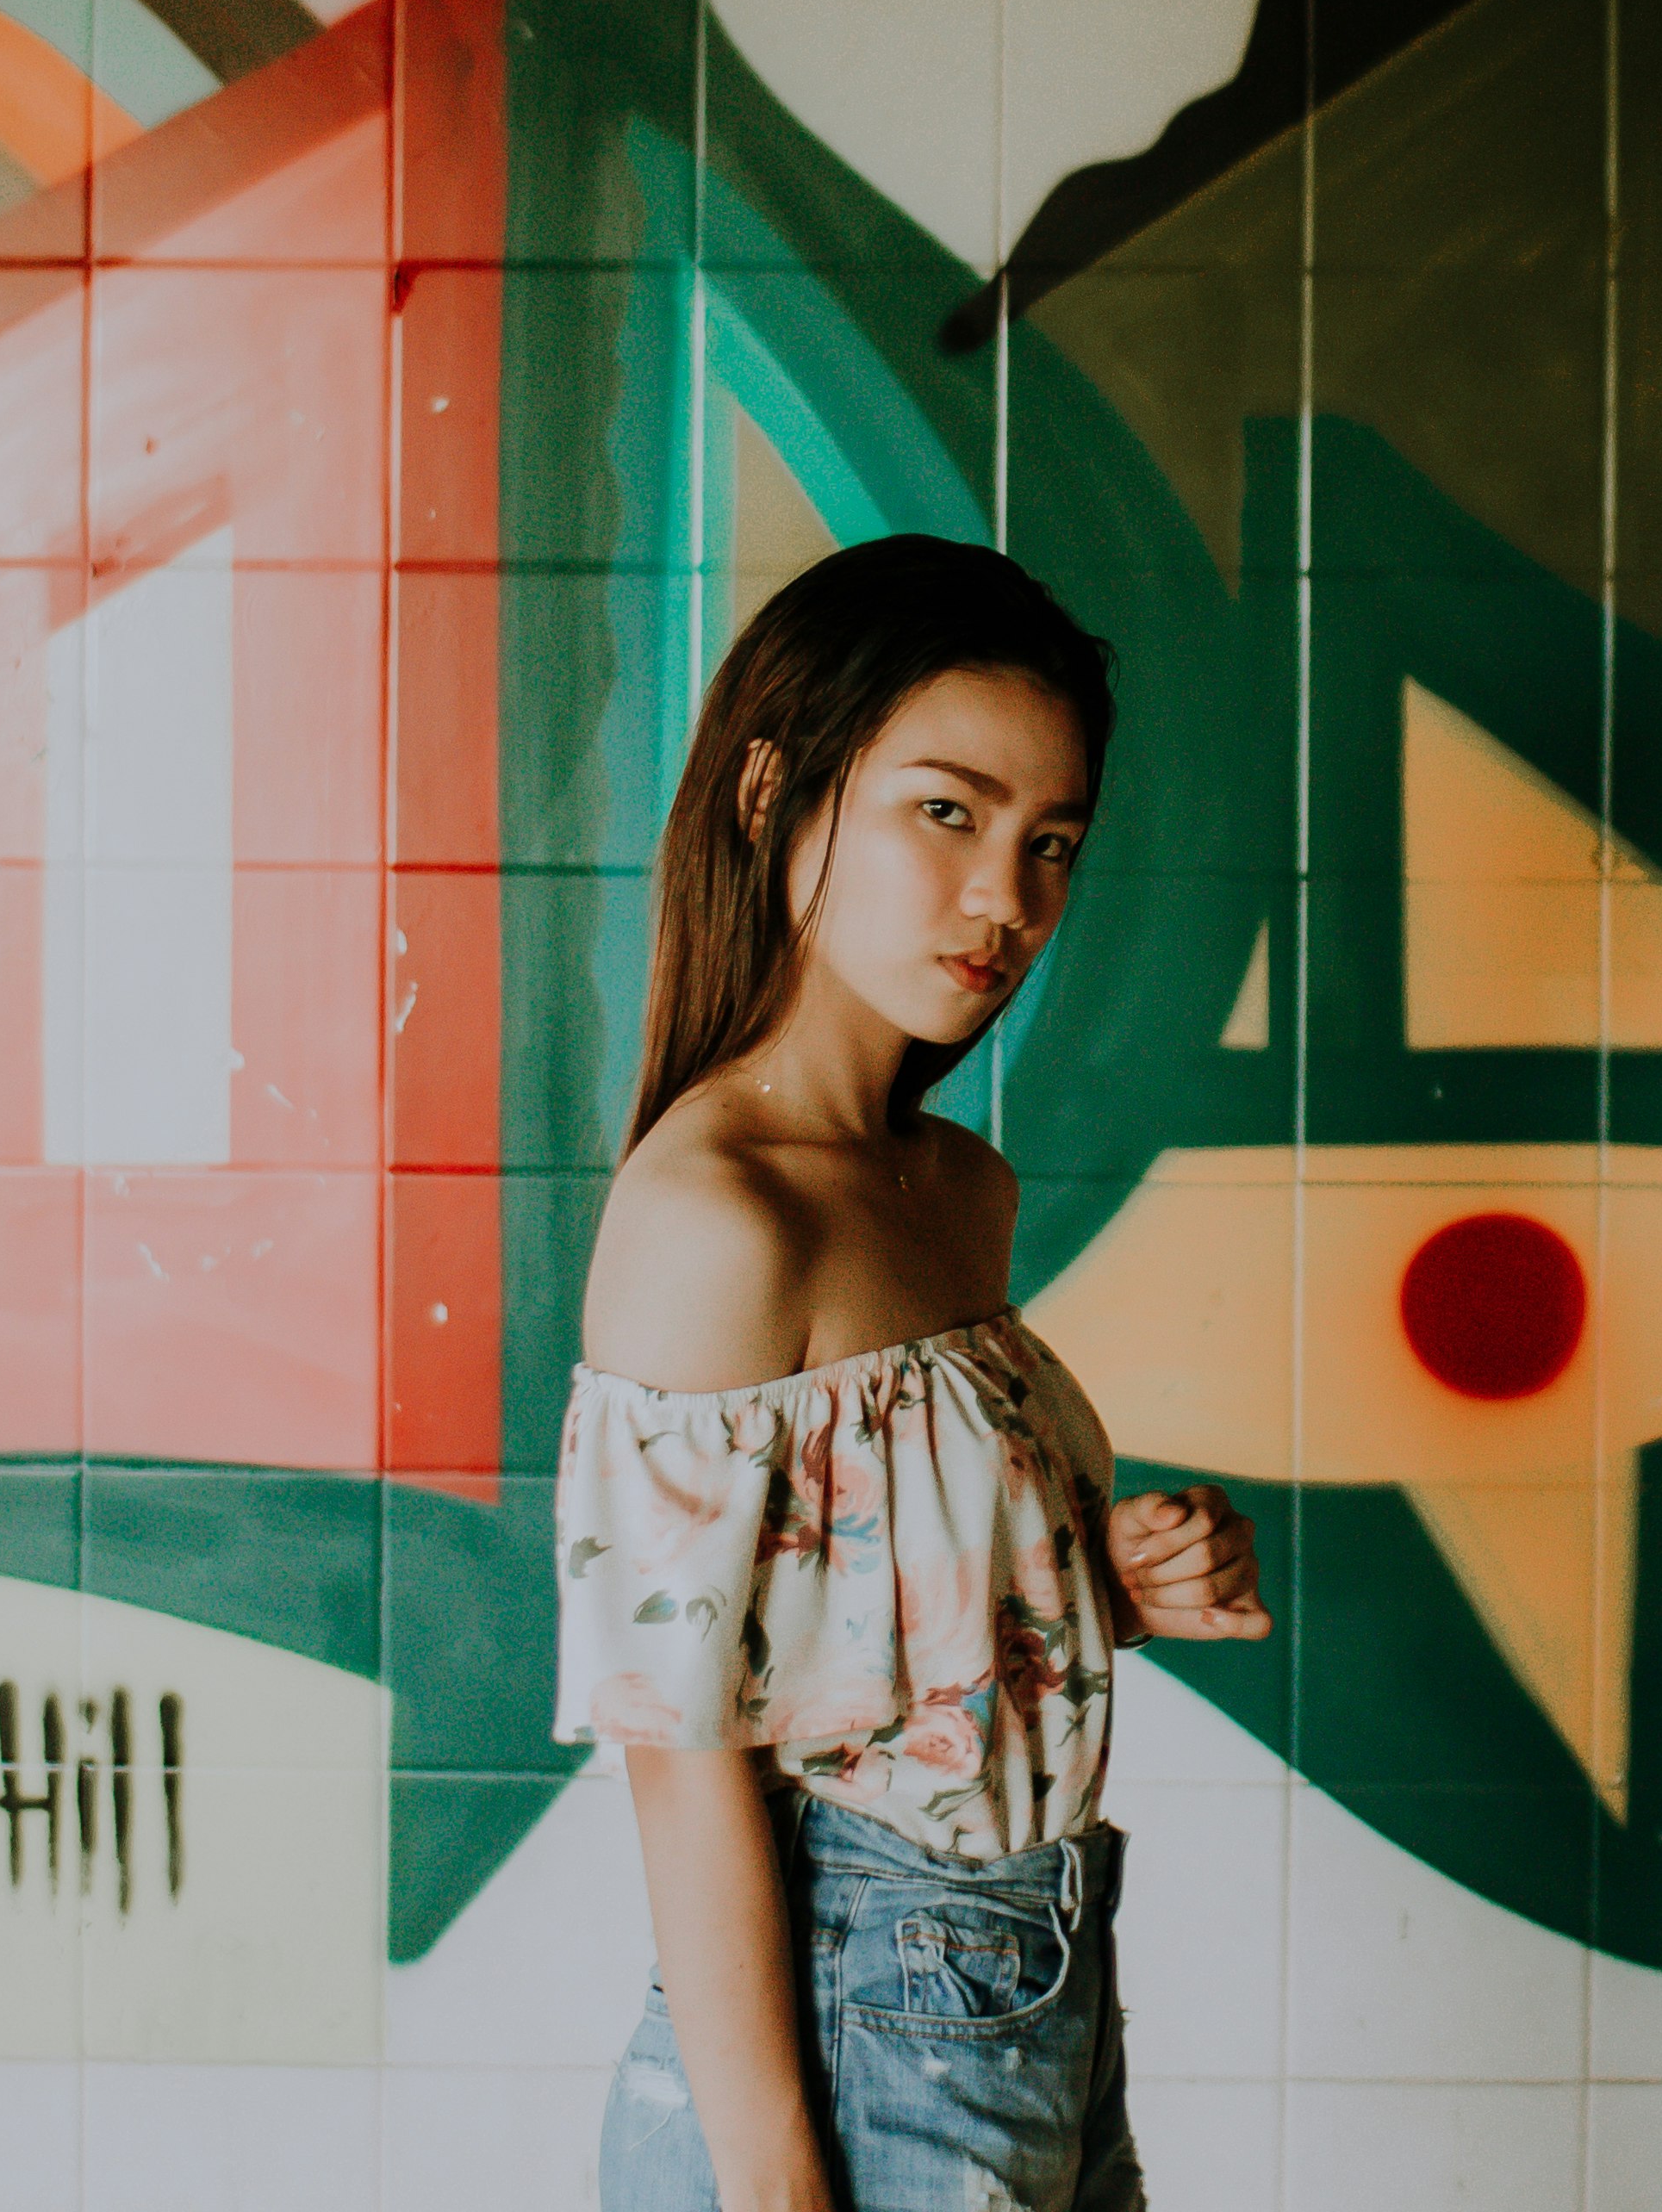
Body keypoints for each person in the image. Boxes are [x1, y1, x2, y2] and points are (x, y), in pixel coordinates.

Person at [557, 534, 1274, 2212]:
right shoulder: (713, 1216)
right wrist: (779, 2193)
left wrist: (1108, 1576)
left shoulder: (955, 1186)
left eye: (1051, 842)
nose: (1004, 898)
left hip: (1025, 1999)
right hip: (850, 2037)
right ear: (772, 792)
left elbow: (867, 1613)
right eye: (943, 812)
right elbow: (683, 1757)